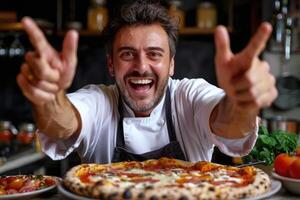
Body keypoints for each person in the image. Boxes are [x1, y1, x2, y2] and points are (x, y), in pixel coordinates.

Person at [16, 1, 277, 163]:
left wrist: (240, 102)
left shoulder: (189, 95)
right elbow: (62, 124)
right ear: (111, 64)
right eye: (127, 54)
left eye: (154, 54)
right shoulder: (98, 101)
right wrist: (49, 96)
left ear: (172, 64)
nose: (141, 66)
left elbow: (228, 126)